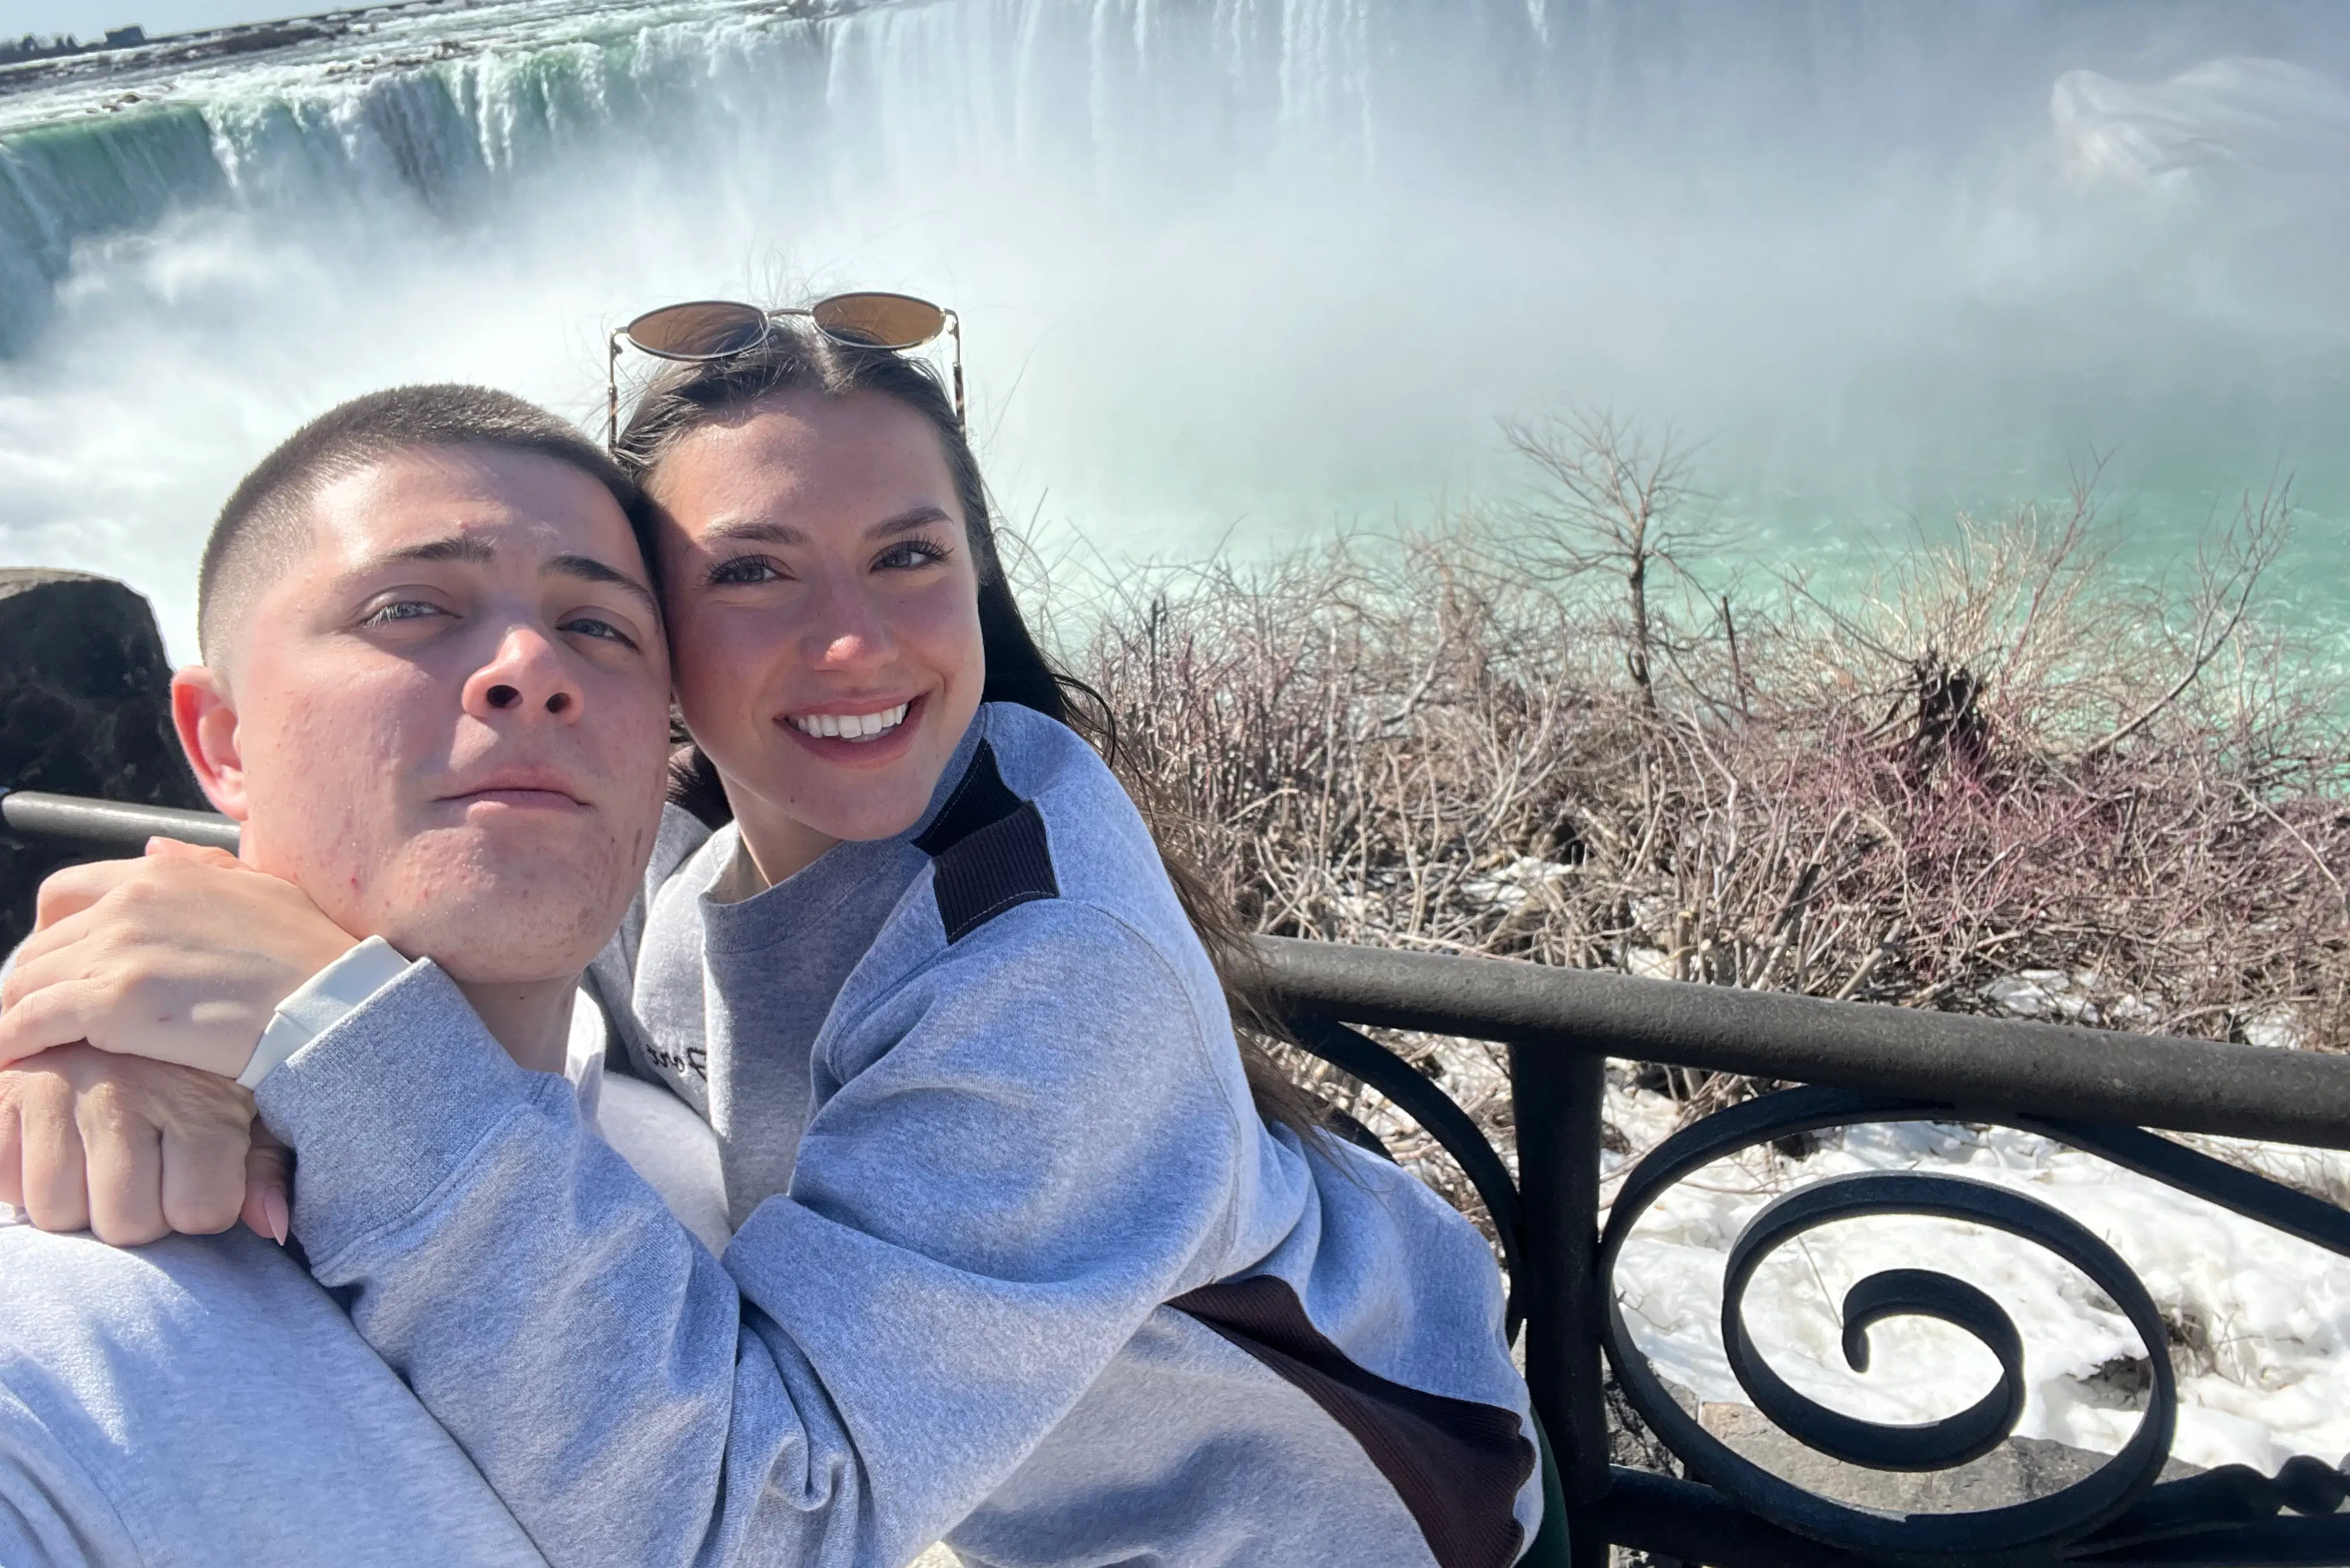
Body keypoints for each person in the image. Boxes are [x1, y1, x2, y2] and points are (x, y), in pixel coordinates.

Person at [4, 315, 1547, 1567]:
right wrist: (136, 1024)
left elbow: (771, 1523)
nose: (856, 639)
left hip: (1300, 1521)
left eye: (908, 555)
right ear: (665, 656)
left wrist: (318, 1026)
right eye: (750, 570)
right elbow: (456, 920)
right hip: (989, 1474)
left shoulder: (1051, 966)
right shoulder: (672, 824)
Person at [0, 383, 724, 1565]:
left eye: (602, 629)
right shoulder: (51, 1348)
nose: (530, 668)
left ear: (662, 751)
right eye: (411, 608)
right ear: (222, 741)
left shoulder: (689, 1157)